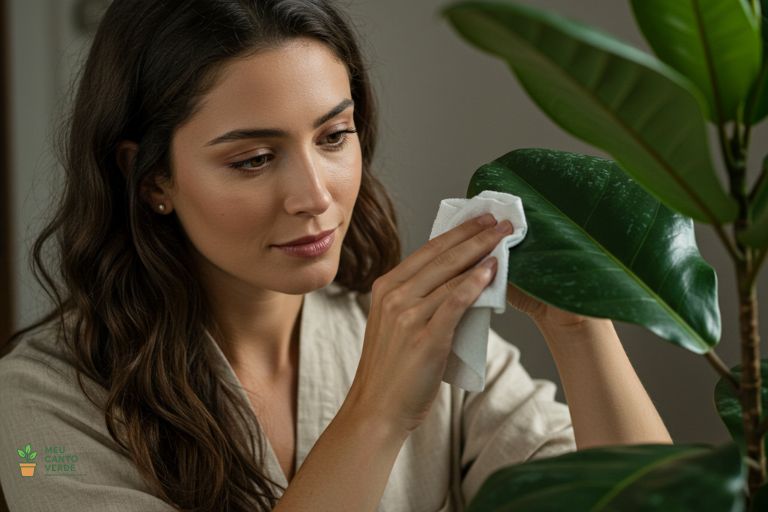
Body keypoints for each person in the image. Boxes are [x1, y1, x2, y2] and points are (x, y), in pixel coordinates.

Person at [0, 0, 672, 510]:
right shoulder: (40, 408)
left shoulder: (441, 348)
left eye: (334, 136)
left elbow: (643, 500)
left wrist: (579, 327)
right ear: (152, 181)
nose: (315, 196)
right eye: (254, 159)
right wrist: (378, 412)